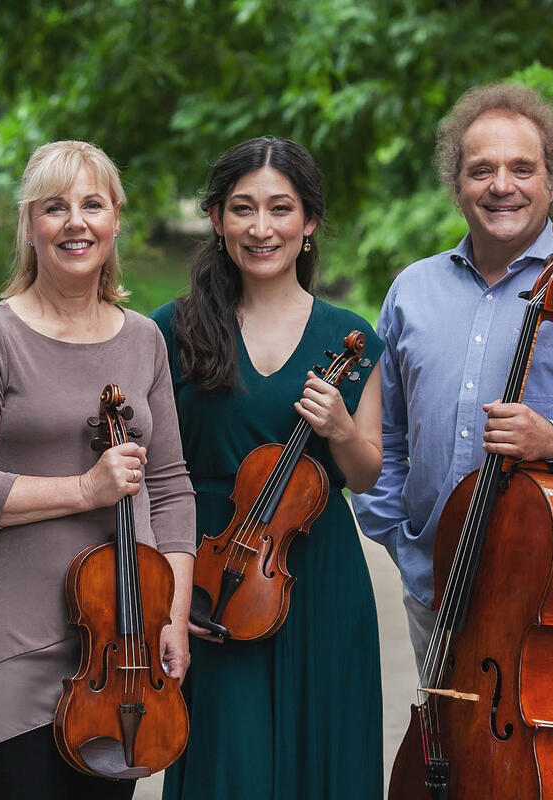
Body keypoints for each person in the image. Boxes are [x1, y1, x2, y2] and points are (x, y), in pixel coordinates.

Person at [353, 83, 553, 798]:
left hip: (548, 599)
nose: (501, 185)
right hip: (436, 586)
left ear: (552, 181)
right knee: (449, 770)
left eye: (521, 168)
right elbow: (385, 436)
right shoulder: (412, 291)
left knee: (545, 774)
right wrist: (405, 544)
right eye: (481, 169)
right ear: (457, 184)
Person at [0, 140, 196, 800]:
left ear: (115, 221)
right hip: (14, 637)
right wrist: (85, 489)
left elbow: (170, 488)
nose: (76, 222)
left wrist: (171, 614)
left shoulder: (144, 339)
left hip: (124, 642)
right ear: (30, 225)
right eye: (54, 207)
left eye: (92, 205)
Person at [152, 136, 385, 799]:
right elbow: (154, 474)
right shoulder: (172, 329)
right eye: (242, 208)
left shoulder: (351, 335)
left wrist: (340, 430)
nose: (261, 228)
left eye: (280, 209)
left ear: (309, 222)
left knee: (324, 757)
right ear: (217, 218)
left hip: (319, 573)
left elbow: (365, 474)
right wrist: (171, 594)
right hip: (214, 580)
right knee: (231, 763)